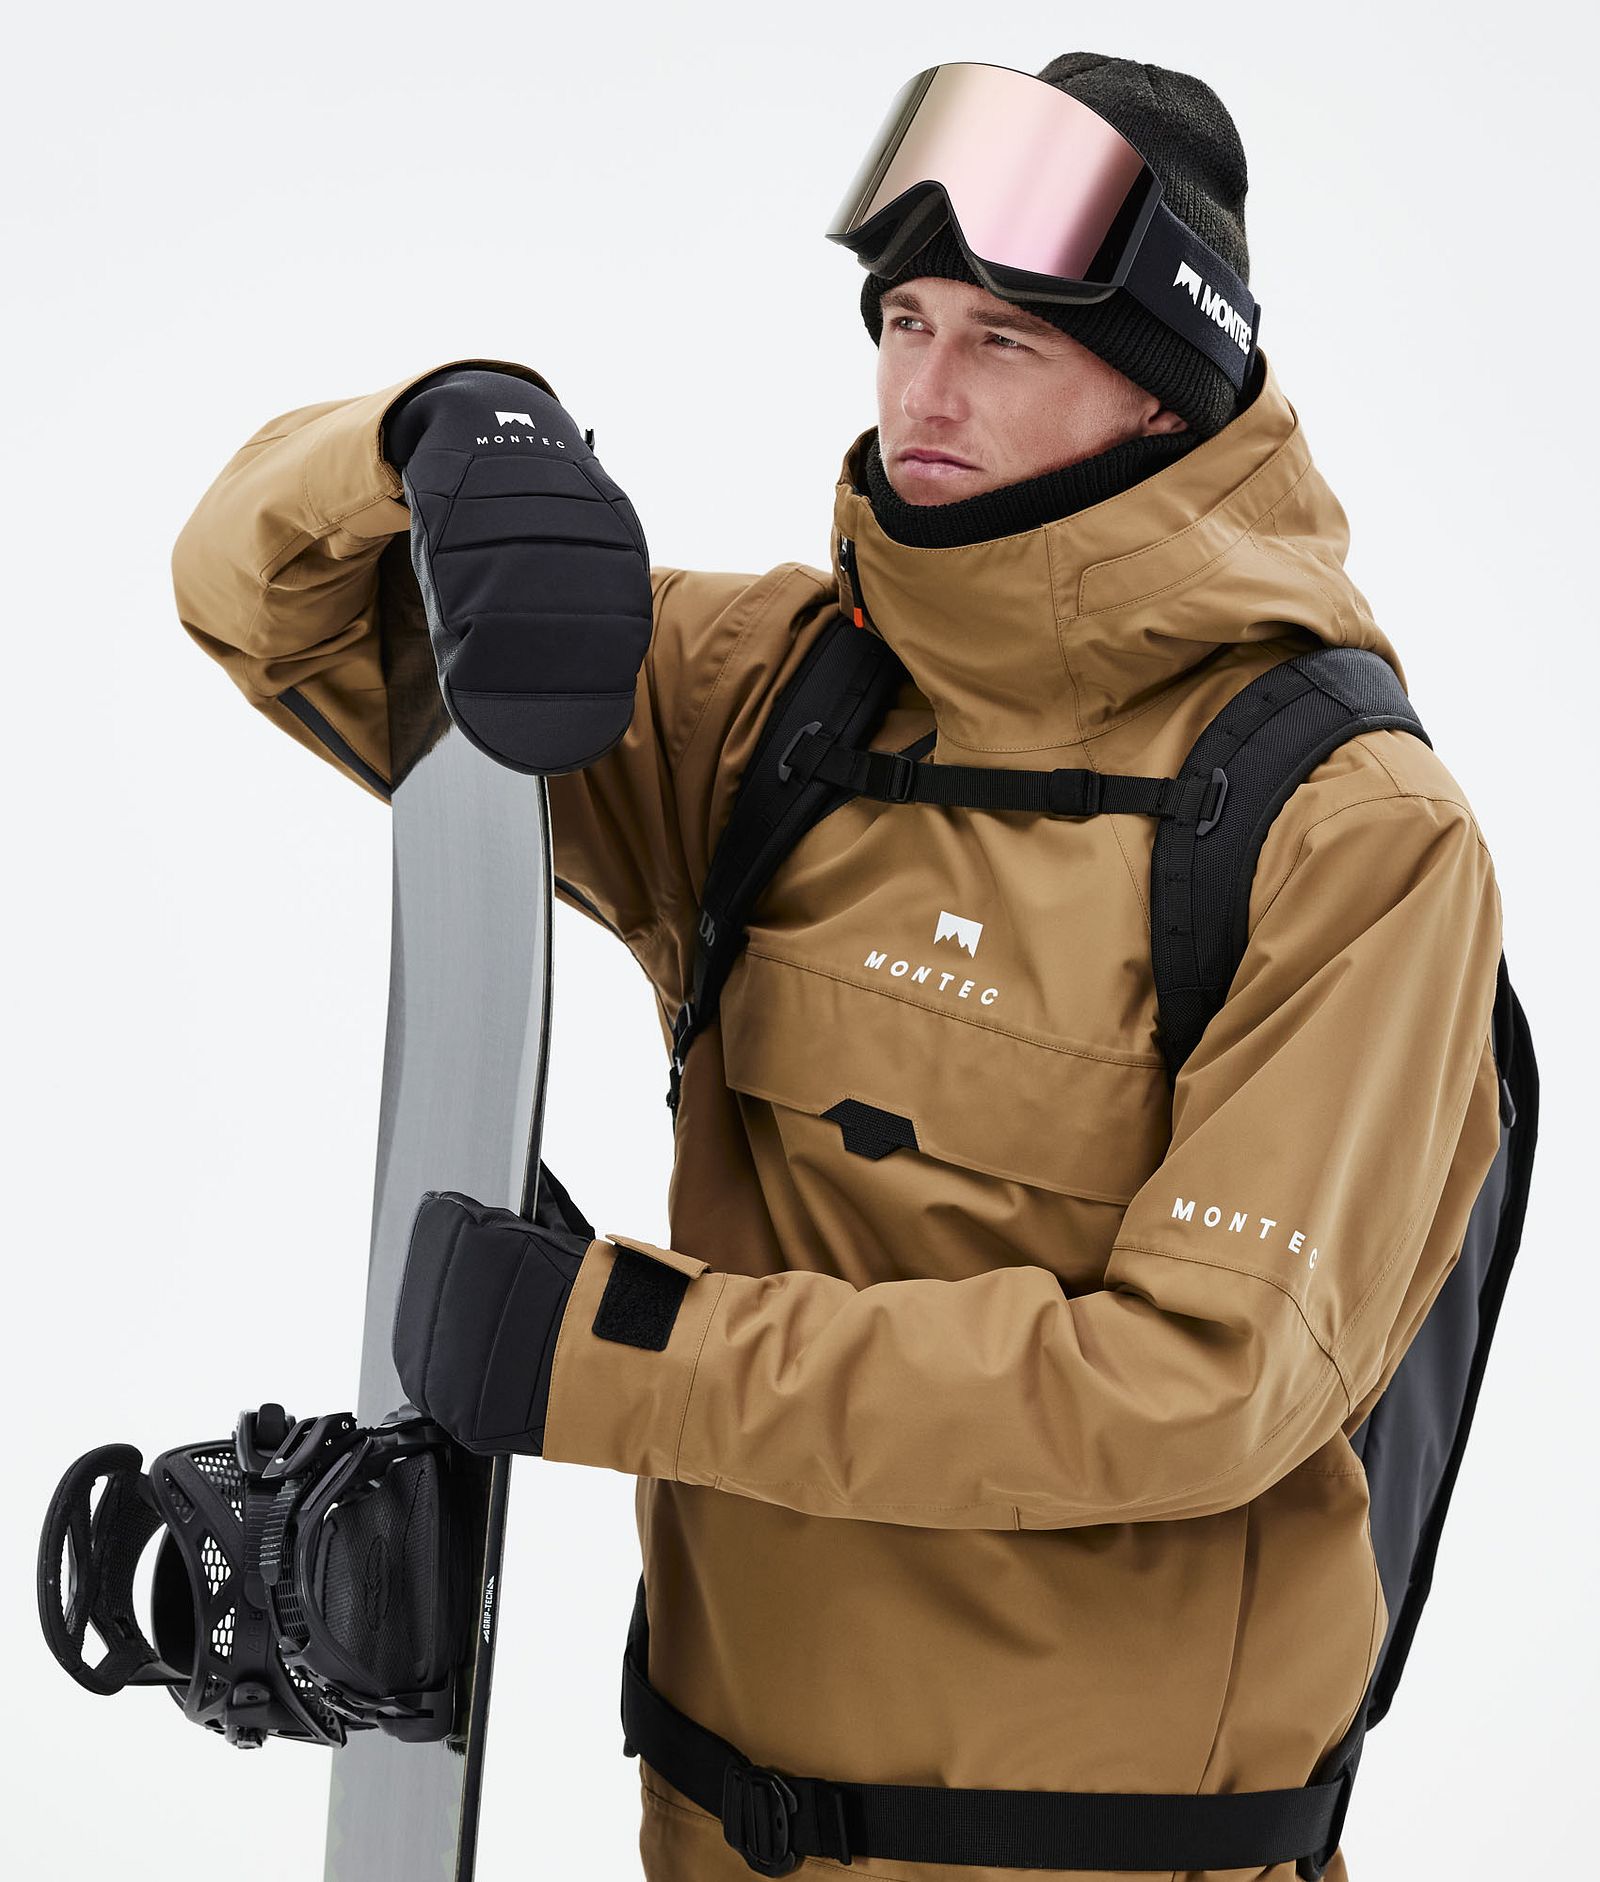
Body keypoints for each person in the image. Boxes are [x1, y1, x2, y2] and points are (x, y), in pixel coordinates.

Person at [170, 52, 1506, 1882]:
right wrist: (432, 435)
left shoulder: (1349, 833)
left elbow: (1197, 1381)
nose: (924, 390)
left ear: (1160, 388)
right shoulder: (774, 705)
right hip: (714, 1836)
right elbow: (269, 608)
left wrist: (615, 1348)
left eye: (1003, 341)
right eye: (904, 322)